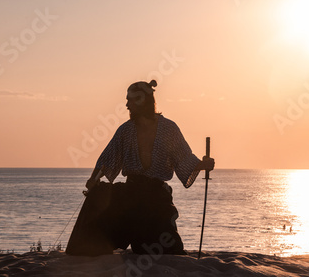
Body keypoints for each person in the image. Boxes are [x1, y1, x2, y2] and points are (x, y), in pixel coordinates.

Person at [79, 80, 214, 255]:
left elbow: (185, 158)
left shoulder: (168, 129)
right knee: (113, 237)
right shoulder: (125, 131)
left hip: (156, 196)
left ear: (143, 101)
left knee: (166, 247)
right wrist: (93, 180)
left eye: (131, 100)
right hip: (131, 194)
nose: (127, 104)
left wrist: (205, 165)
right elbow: (107, 159)